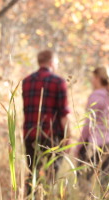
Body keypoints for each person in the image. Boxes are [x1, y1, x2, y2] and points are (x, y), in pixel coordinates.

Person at [22, 50, 70, 194]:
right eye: (56, 61)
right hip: (51, 137)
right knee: (51, 176)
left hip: (30, 135)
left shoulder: (26, 81)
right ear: (51, 62)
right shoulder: (58, 82)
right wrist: (68, 136)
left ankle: (30, 196)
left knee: (32, 173)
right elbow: (64, 113)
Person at [77, 66, 109, 193]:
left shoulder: (96, 96)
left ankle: (85, 197)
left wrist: (79, 145)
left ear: (97, 78)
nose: (92, 81)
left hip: (97, 143)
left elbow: (88, 125)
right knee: (105, 180)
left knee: (83, 177)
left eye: (93, 78)